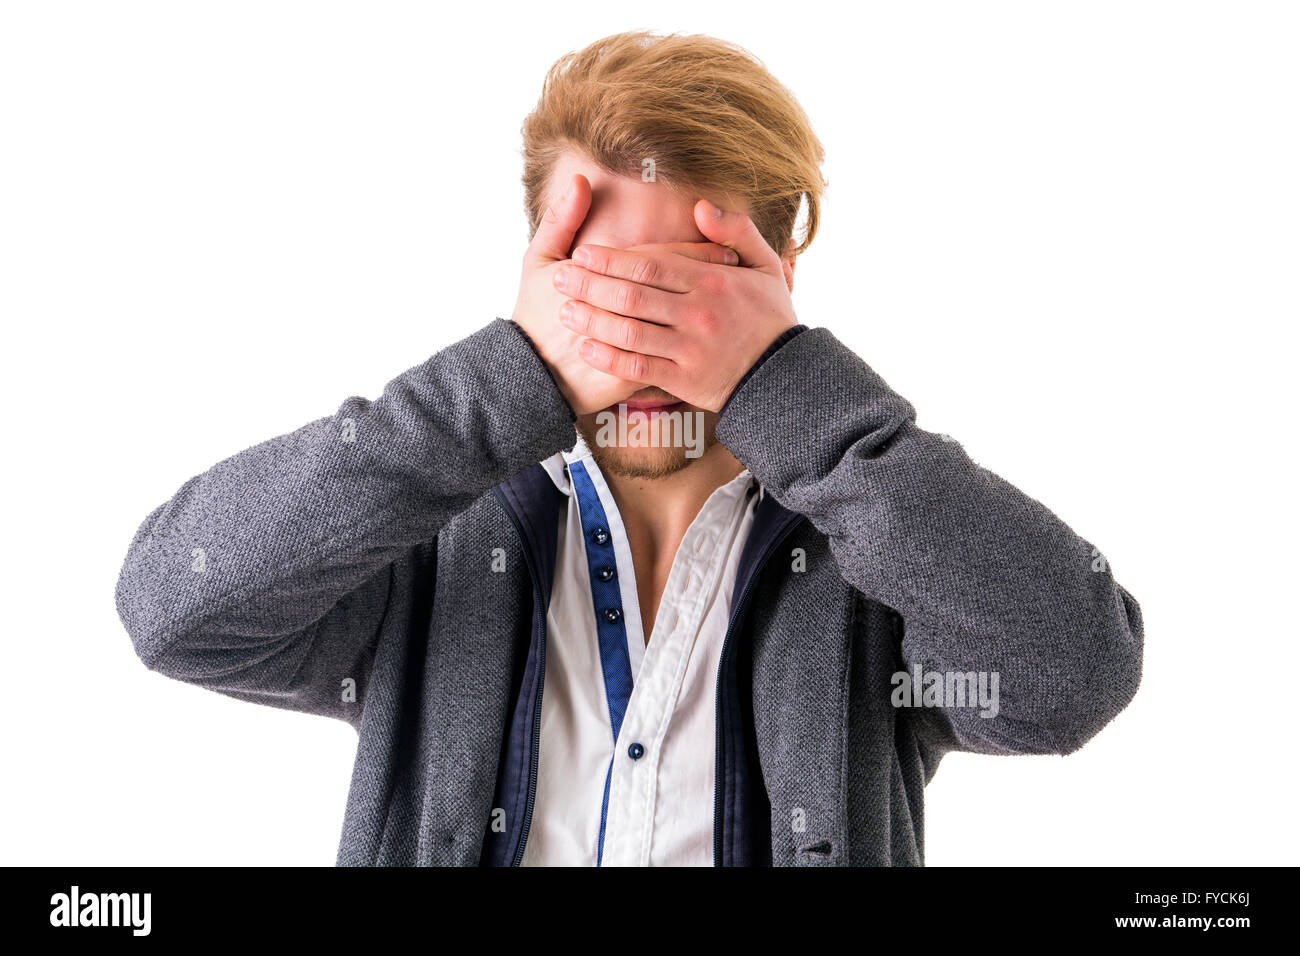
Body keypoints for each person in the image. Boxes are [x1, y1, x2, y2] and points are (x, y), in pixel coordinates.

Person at [115, 30, 1143, 866]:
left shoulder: (871, 545)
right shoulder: (428, 536)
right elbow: (176, 610)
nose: (642, 348)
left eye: (688, 293)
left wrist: (791, 389)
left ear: (780, 281)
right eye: (599, 288)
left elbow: (1072, 672)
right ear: (533, 277)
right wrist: (503, 378)